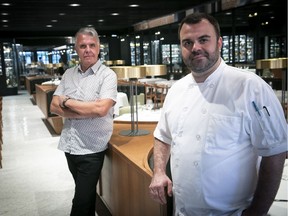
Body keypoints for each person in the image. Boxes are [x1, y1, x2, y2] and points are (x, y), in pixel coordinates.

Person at [149, 13, 287, 216]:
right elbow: (163, 135)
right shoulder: (176, 89)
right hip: (183, 210)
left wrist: (257, 212)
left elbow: (275, 150)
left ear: (220, 42)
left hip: (233, 212)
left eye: (203, 40)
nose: (195, 47)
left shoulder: (250, 86)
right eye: (187, 42)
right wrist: (159, 171)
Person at [50, 27, 117, 216]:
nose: (87, 49)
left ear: (98, 47)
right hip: (69, 147)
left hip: (91, 149)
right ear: (76, 49)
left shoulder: (107, 76)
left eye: (91, 45)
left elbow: (101, 109)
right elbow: (54, 106)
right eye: (83, 46)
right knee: (86, 200)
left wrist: (67, 102)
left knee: (79, 203)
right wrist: (85, 109)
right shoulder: (68, 74)